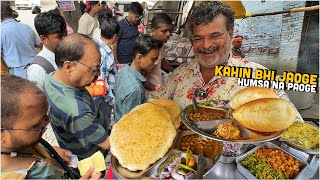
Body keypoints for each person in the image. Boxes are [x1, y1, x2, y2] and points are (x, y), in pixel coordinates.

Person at [148, 1, 267, 108]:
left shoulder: (256, 75)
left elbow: (282, 117)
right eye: (198, 38)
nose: (206, 45)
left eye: (215, 36)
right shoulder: (180, 74)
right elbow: (152, 101)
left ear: (230, 34)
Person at [1, 75, 101, 179]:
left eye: (46, 118)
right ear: (1, 136)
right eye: (36, 125)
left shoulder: (18, 142)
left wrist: (51, 152)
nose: (46, 124)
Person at [44, 34, 110, 160]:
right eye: (93, 69)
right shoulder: (77, 112)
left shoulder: (52, 77)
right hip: (88, 156)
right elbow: (106, 144)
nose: (98, 74)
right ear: (69, 67)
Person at [115, 34, 163, 122]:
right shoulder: (136, 90)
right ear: (139, 58)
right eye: (153, 59)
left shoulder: (124, 71)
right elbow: (130, 122)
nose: (157, 62)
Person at [0, 3, 42, 79]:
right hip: (35, 67)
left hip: (17, 73)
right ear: (12, 13)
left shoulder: (1, 31)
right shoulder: (26, 27)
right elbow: (40, 45)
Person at [27, 11, 67, 91]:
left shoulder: (67, 53)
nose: (65, 39)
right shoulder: (37, 70)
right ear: (43, 39)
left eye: (65, 34)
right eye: (59, 37)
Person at [95, 19, 120, 130]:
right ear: (115, 36)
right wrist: (112, 100)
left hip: (100, 96)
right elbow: (101, 83)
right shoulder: (104, 54)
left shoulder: (96, 45)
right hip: (102, 98)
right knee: (102, 122)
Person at [145, 13, 174, 93]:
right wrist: (155, 87)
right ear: (153, 31)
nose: (168, 34)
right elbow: (141, 77)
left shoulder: (160, 44)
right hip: (149, 92)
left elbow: (163, 62)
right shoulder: (148, 48)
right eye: (164, 31)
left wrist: (177, 71)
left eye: (170, 31)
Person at [113, 2, 143, 66]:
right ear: (130, 12)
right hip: (123, 59)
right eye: (136, 17)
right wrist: (115, 58)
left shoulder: (137, 24)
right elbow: (115, 42)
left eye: (139, 17)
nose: (137, 19)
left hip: (134, 57)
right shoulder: (121, 25)